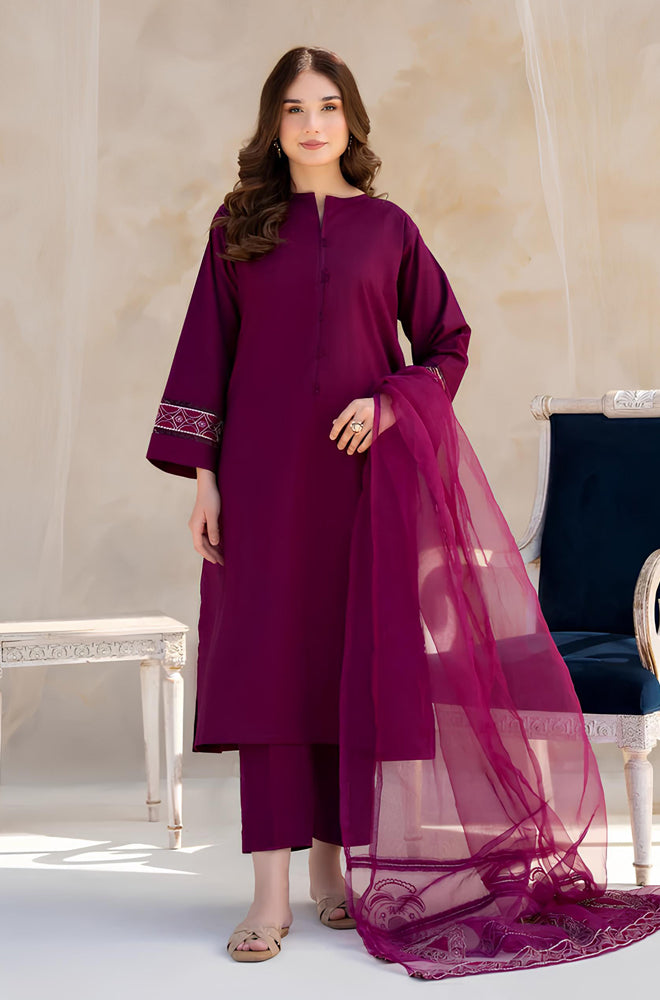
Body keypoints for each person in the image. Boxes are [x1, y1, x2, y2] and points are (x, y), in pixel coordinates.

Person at [147, 46, 660, 978]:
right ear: (273, 124)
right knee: (268, 671)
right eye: (294, 108)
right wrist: (204, 481)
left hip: (359, 489)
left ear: (351, 120)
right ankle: (269, 896)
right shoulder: (239, 227)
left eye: (328, 106)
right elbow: (204, 354)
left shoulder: (389, 228)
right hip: (259, 486)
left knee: (345, 668)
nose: (312, 124)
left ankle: (333, 875)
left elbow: (447, 342)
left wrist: (388, 405)